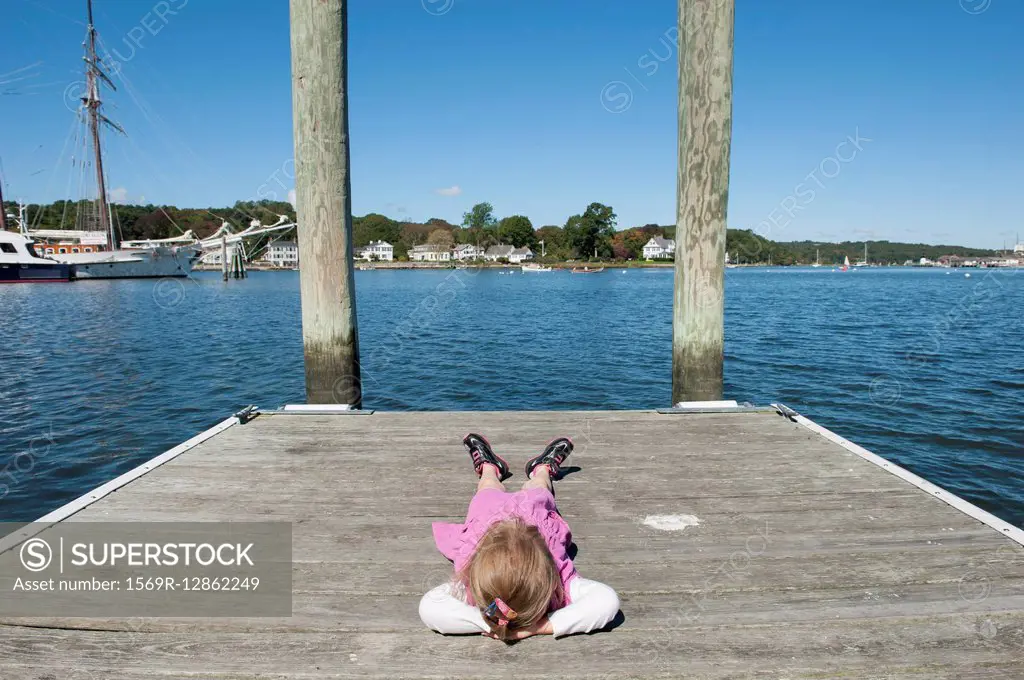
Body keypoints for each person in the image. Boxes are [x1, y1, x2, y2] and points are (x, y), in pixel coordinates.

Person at [419, 433, 620, 640]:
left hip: (504, 518)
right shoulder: (560, 584)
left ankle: (533, 469)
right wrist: (540, 626)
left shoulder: (470, 584)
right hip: (517, 518)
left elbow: (431, 607)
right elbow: (605, 602)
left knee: (511, 490)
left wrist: (492, 623)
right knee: (518, 491)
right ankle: (506, 468)